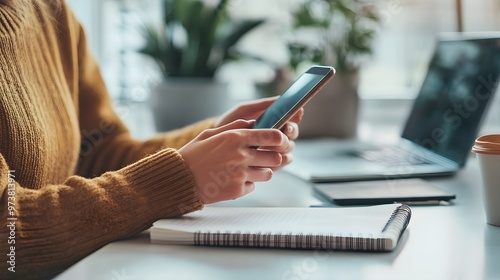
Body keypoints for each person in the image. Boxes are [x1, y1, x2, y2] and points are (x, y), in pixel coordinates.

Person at [0, 0, 303, 279]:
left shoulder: (51, 9)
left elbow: (99, 152)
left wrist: (215, 137)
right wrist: (180, 179)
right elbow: (8, 235)